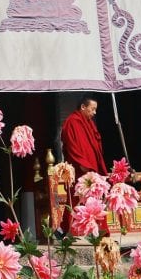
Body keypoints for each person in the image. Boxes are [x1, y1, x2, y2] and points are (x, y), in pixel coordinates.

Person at [59, 95, 108, 234]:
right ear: (83, 107)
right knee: (76, 198)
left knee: (94, 198)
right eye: (92, 109)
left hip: (91, 167)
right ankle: (67, 229)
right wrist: (81, 163)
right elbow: (71, 145)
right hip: (81, 167)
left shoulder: (89, 122)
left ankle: (99, 230)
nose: (94, 112)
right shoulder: (72, 122)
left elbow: (95, 142)